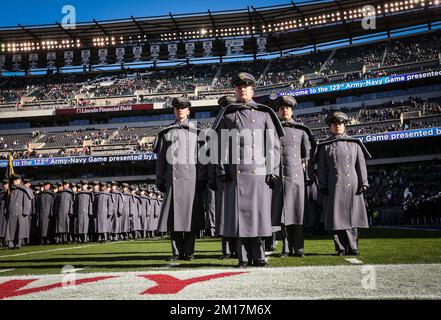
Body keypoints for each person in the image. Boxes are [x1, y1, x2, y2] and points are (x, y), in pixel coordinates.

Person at [211, 72, 284, 268]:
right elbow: (218, 146)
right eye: (238, 86)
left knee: (258, 216)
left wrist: (273, 170)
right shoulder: (227, 114)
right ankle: (243, 258)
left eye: (246, 86)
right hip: (235, 174)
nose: (242, 89)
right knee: (239, 218)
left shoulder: (264, 113)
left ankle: (259, 256)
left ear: (252, 89)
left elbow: (273, 146)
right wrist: (220, 169)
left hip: (259, 173)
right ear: (234, 90)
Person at [153, 96, 206, 261]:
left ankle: (189, 251)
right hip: (173, 180)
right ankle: (176, 252)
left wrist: (202, 178)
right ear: (174, 111)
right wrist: (160, 179)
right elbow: (161, 159)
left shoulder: (198, 132)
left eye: (183, 108)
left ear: (188, 111)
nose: (180, 110)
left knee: (191, 217)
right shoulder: (166, 132)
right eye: (177, 108)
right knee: (174, 218)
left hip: (192, 180)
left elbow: (203, 159)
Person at [317, 111, 371, 256]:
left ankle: (353, 247)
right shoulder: (324, 146)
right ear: (330, 127)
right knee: (336, 219)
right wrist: (322, 185)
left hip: (352, 185)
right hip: (334, 186)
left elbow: (361, 165)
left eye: (340, 124)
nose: (338, 126)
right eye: (335, 124)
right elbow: (321, 168)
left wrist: (364, 182)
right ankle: (340, 247)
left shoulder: (355, 144)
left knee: (353, 217)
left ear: (344, 126)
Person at [270, 95, 315, 258]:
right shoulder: (272, 130)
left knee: (297, 215)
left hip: (296, 179)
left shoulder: (302, 131)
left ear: (292, 111)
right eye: (282, 108)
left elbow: (307, 156)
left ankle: (299, 248)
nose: (284, 110)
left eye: (287, 108)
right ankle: (286, 248)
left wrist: (308, 176)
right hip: (279, 179)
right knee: (283, 217)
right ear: (278, 111)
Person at [4, 174, 33, 249]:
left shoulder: (24, 189)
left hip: (20, 212)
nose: (14, 181)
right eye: (13, 180)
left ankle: (18, 243)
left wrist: (25, 211)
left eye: (16, 180)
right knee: (10, 229)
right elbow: (7, 201)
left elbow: (27, 201)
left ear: (20, 180)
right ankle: (11, 243)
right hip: (11, 212)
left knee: (19, 229)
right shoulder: (10, 189)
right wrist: (6, 210)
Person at [54, 180, 74, 244]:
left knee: (66, 226)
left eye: (66, 184)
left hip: (67, 212)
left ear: (68, 185)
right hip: (60, 212)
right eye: (64, 184)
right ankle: (61, 239)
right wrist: (56, 212)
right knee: (60, 226)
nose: (65, 185)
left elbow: (71, 203)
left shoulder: (70, 193)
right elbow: (56, 203)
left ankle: (66, 239)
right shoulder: (59, 193)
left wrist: (70, 211)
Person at [0, 179, 9, 247]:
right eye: (4, 184)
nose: (4, 185)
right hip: (1, 212)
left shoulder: (10, 193)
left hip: (8, 212)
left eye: (6, 184)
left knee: (6, 227)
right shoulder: (1, 193)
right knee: (1, 227)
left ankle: (6, 241)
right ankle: (1, 241)